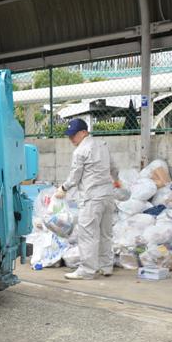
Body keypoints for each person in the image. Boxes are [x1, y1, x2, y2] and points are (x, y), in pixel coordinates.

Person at [54, 118, 115, 280]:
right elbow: (113, 167)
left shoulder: (80, 151)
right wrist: (116, 180)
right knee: (105, 233)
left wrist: (63, 188)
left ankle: (87, 270)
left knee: (88, 234)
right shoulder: (103, 145)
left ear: (83, 132)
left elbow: (75, 176)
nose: (71, 139)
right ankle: (106, 266)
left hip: (92, 198)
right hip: (108, 196)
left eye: (73, 135)